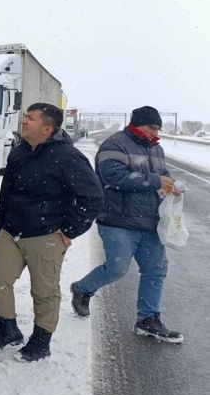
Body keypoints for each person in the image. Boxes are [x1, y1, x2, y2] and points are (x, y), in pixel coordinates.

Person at [0, 103, 103, 362]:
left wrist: (70, 229)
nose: (24, 121)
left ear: (47, 128)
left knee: (44, 291)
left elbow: (92, 196)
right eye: (25, 116)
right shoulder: (18, 153)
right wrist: (1, 224)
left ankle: (41, 341)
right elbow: (7, 193)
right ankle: (7, 329)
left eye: (30, 118)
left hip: (46, 234)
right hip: (11, 232)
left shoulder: (67, 156)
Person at [70, 106, 184, 343]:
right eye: (152, 127)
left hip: (150, 221)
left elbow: (162, 174)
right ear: (137, 124)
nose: (156, 133)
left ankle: (147, 319)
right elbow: (113, 177)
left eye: (158, 128)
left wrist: (170, 184)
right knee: (117, 268)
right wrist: (155, 181)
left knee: (156, 269)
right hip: (118, 220)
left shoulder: (156, 148)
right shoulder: (115, 145)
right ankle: (82, 288)